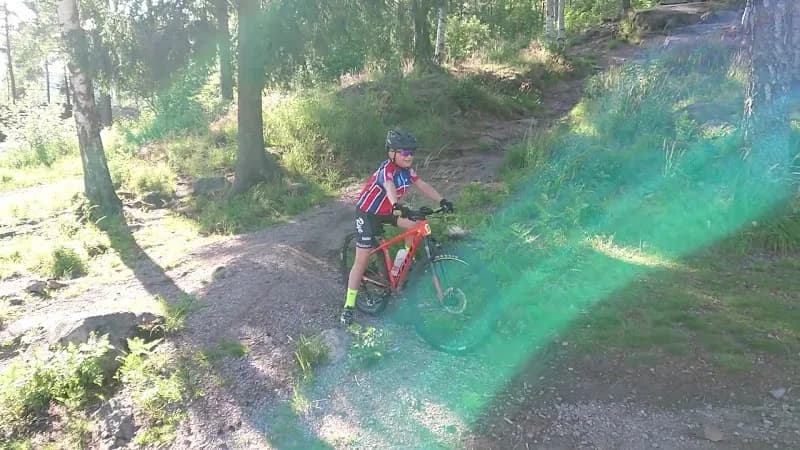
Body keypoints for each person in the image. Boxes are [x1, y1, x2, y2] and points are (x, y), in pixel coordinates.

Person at [340, 129, 454, 326]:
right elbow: (389, 186)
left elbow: (423, 185)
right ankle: (348, 307)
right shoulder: (387, 170)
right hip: (368, 214)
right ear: (391, 153)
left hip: (388, 211)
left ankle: (399, 267)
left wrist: (442, 200)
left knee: (417, 227)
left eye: (412, 152)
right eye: (404, 152)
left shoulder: (407, 171)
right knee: (362, 259)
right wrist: (396, 205)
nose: (409, 156)